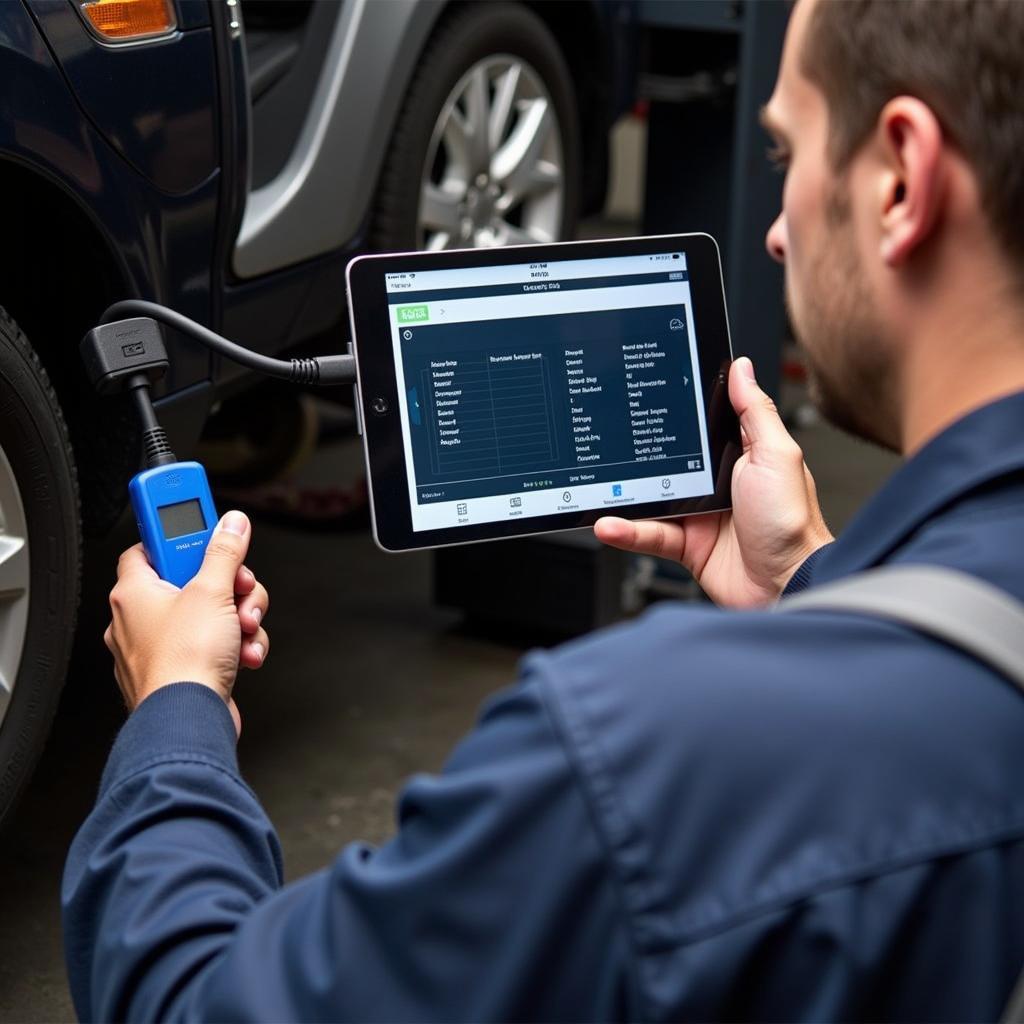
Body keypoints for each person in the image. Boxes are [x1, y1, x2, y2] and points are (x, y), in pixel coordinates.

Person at [63, 0, 1024, 1018]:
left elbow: (190, 1001)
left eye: (787, 153)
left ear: (900, 179)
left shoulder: (640, 755)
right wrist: (813, 581)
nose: (779, 231)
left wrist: (176, 706)